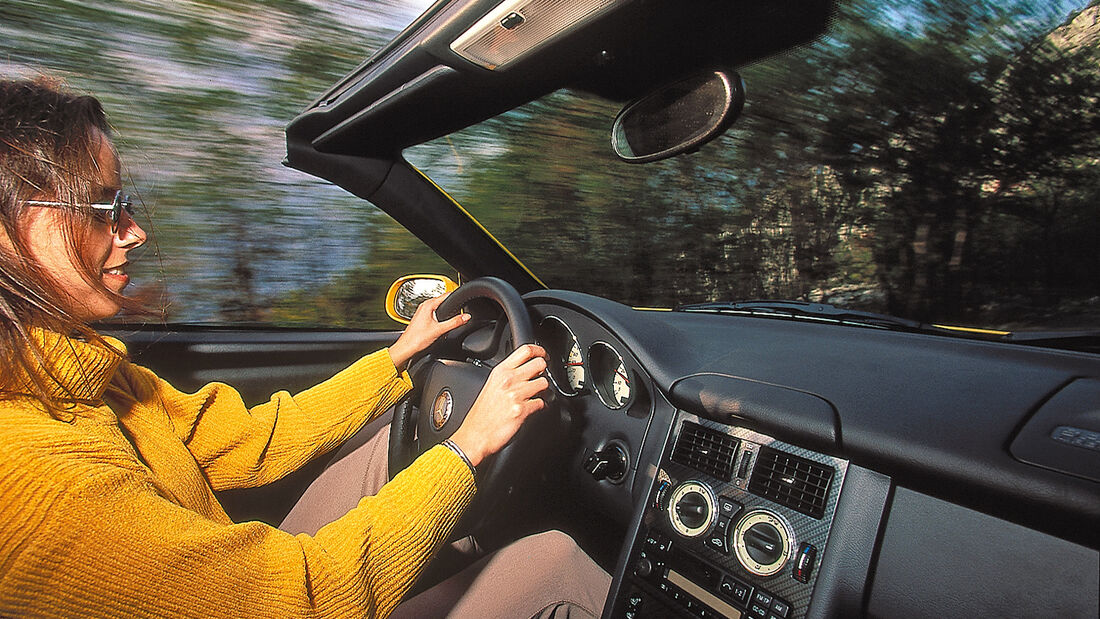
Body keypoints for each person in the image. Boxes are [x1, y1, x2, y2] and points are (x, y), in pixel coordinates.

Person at [0, 77, 609, 618]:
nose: (133, 230)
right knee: (556, 564)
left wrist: (398, 358)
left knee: (384, 443)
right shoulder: (39, 489)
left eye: (123, 204)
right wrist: (468, 448)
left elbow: (252, 441)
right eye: (104, 208)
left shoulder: (86, 374)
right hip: (292, 602)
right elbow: (304, 599)